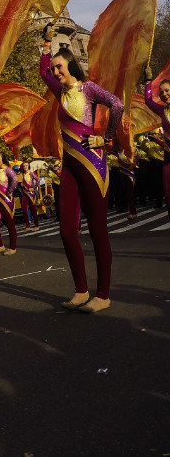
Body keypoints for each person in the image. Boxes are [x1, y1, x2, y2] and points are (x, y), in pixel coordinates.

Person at [41, 26, 123, 313]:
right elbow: (42, 73)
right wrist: (46, 42)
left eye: (60, 67)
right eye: (54, 68)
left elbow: (116, 104)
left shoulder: (88, 89)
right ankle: (80, 290)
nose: (56, 72)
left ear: (71, 65)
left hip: (92, 163)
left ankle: (103, 294)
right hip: (69, 168)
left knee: (98, 230)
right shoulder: (59, 92)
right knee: (66, 230)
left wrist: (107, 138)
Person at [142, 68, 170, 223]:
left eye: (167, 90)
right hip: (168, 160)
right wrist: (148, 80)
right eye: (162, 92)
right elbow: (148, 101)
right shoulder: (162, 110)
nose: (164, 94)